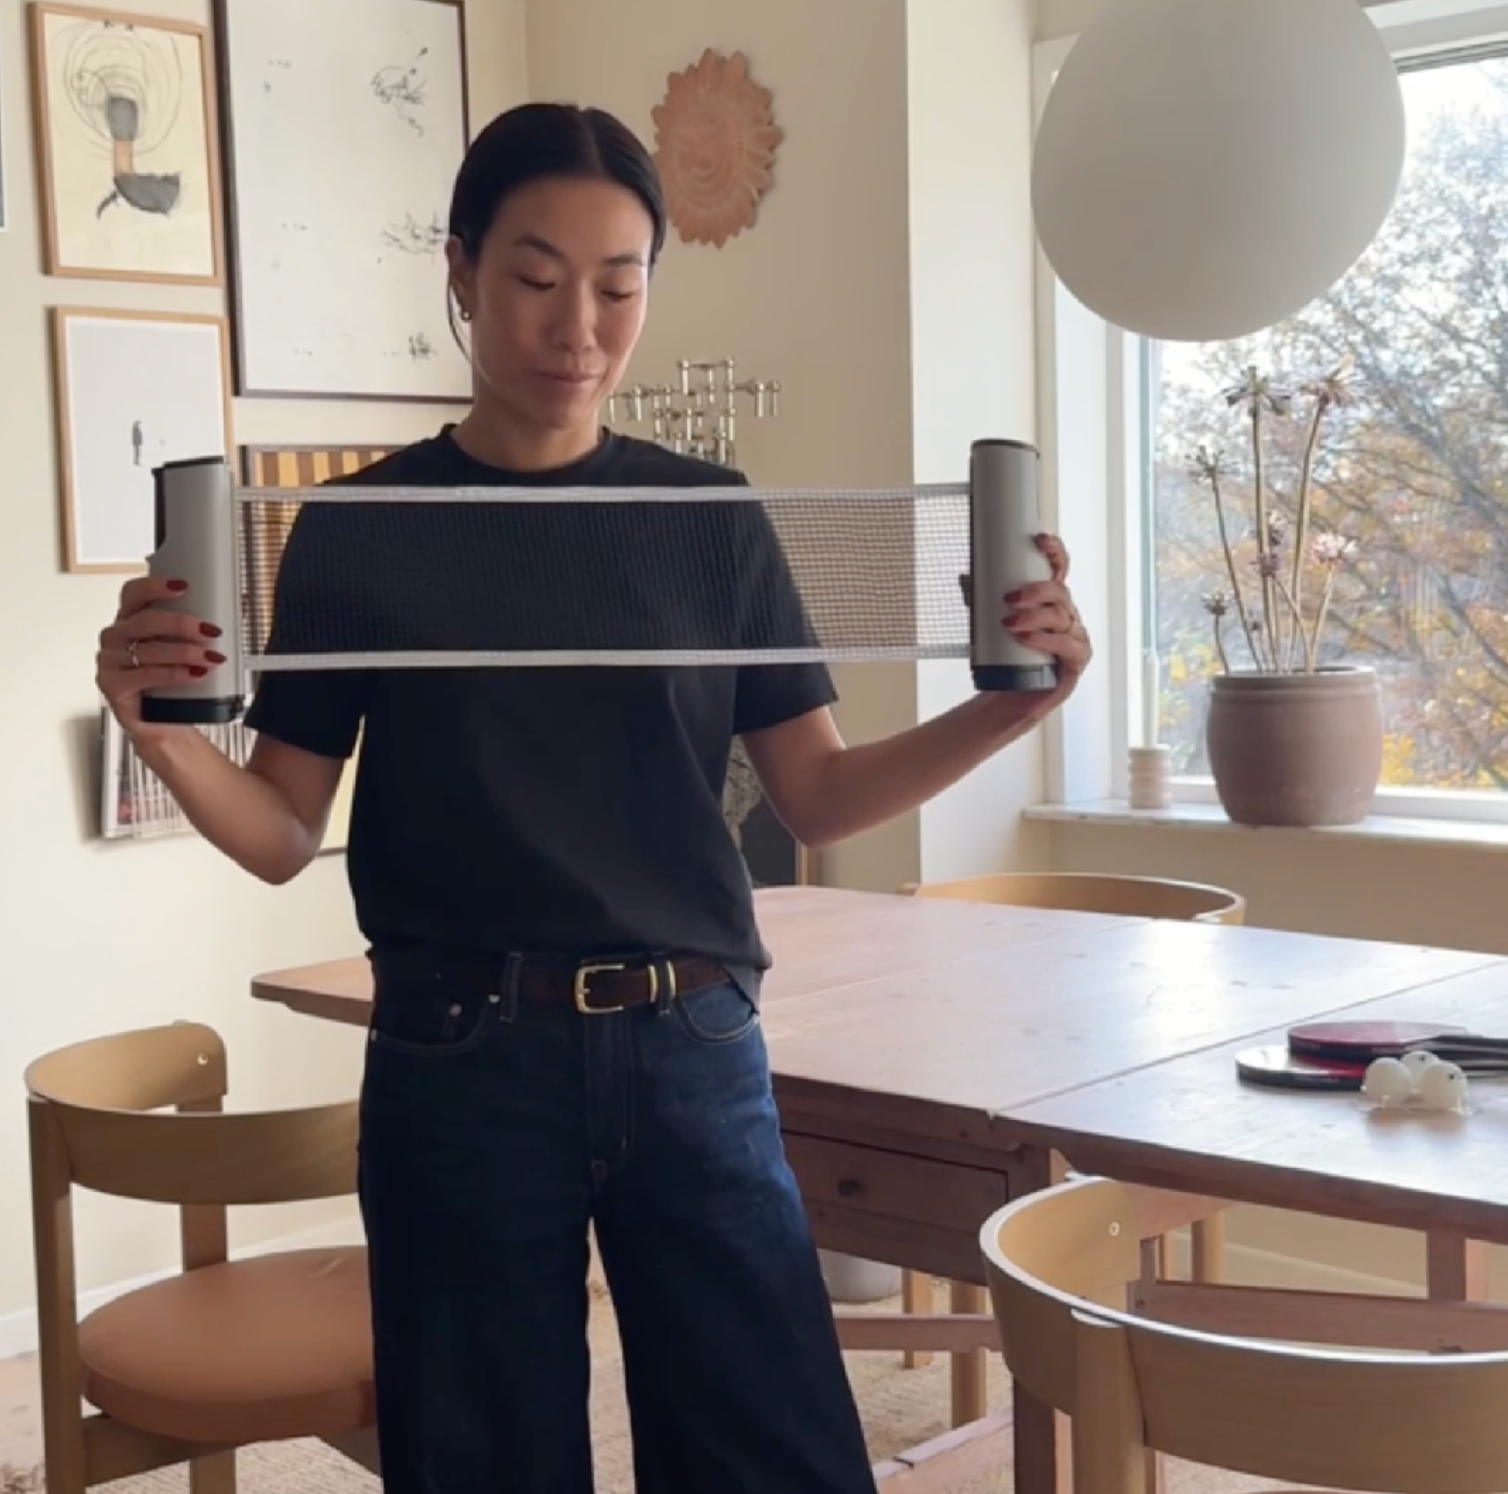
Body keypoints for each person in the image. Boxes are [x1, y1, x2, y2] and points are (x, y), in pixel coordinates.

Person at [94, 102, 1093, 1494]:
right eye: (535, 277)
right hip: (459, 1057)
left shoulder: (711, 518)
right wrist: (160, 739)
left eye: (620, 287)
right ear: (461, 270)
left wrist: (1011, 707)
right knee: (483, 1461)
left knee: (777, 1456)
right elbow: (281, 832)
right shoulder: (355, 532)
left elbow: (819, 795)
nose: (578, 328)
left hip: (694, 1046)